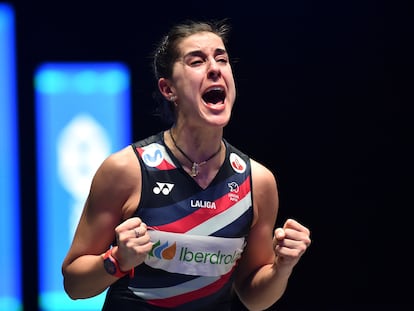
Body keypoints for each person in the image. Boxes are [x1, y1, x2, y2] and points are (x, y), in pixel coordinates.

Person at [61, 19, 311, 311]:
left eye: (222, 59)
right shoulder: (126, 171)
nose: (215, 68)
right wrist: (116, 260)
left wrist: (282, 267)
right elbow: (74, 285)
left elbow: (253, 297)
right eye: (197, 61)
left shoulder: (257, 182)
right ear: (168, 90)